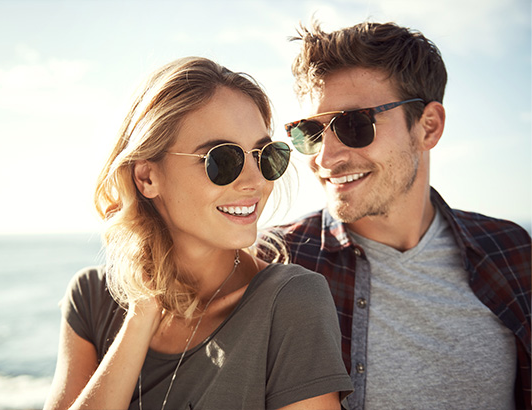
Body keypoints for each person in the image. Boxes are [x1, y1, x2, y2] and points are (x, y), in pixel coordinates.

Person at [43, 57, 353, 410]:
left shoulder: (292, 301)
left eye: (264, 155)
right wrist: (141, 314)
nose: (255, 182)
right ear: (146, 177)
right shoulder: (92, 298)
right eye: (223, 159)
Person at [260, 22, 531, 409]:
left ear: (429, 127)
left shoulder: (513, 252)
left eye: (354, 125)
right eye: (311, 133)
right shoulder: (274, 266)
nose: (325, 158)